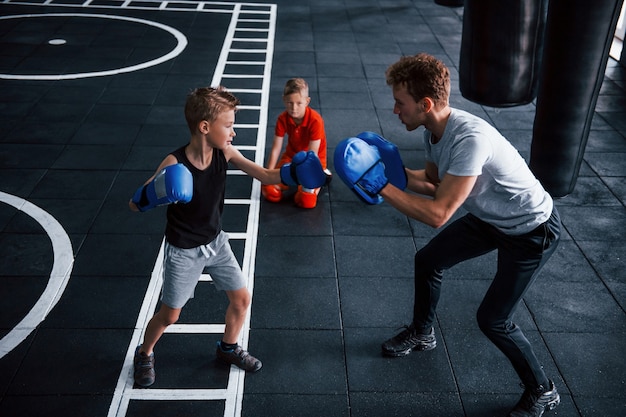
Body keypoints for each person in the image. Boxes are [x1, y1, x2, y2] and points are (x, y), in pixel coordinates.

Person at [334, 53, 562, 417]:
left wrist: (381, 187)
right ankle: (422, 332)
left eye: (400, 103)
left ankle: (542, 389)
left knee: (493, 319)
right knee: (428, 260)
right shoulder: (434, 132)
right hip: (491, 216)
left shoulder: (469, 139)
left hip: (529, 229)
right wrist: (393, 172)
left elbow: (439, 213)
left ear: (425, 104)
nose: (395, 110)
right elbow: (438, 184)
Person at [129, 86, 326, 387]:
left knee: (242, 298)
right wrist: (155, 193)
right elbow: (134, 202)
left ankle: (228, 348)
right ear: (205, 127)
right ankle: (144, 353)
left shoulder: (225, 152)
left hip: (216, 242)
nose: (233, 133)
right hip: (184, 250)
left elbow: (265, 175)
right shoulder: (174, 163)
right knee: (170, 316)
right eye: (229, 125)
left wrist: (292, 174)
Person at [262, 78, 329, 209]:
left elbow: (312, 155)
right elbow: (276, 148)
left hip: (314, 162)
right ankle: (295, 181)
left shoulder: (316, 120)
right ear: (284, 100)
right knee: (270, 192)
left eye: (299, 103)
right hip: (291, 157)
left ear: (307, 101)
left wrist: (304, 176)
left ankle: (323, 174)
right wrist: (268, 174)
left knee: (307, 201)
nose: (294, 108)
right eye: (290, 103)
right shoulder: (282, 119)